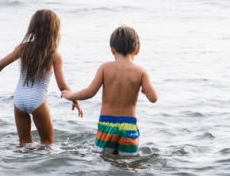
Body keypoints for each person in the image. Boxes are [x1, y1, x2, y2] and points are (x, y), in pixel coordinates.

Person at [0, 9, 83, 145]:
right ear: (54, 31)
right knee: (47, 143)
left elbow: (0, 64)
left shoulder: (23, 48)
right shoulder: (54, 54)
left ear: (33, 28)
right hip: (37, 101)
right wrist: (75, 100)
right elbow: (62, 86)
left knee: (24, 144)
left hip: (19, 99)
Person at [61, 25, 158, 155]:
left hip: (107, 125)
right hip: (129, 126)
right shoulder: (141, 72)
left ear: (112, 50)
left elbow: (90, 92)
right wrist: (146, 91)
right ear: (137, 49)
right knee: (127, 163)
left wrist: (71, 96)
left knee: (104, 159)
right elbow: (154, 98)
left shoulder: (105, 68)